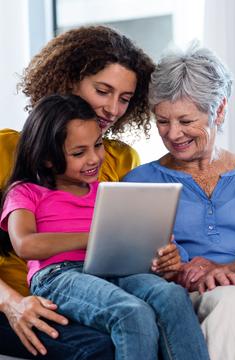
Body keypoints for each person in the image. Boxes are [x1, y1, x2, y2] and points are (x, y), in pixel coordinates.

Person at [124, 44, 235, 360]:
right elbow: (138, 268)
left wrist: (228, 268)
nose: (173, 133)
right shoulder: (141, 182)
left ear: (218, 110)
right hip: (195, 300)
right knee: (231, 301)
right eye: (163, 121)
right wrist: (171, 268)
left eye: (185, 120)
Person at [1, 94, 208, 360]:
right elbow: (26, 244)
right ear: (47, 159)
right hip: (58, 276)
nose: (94, 158)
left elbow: (129, 244)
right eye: (79, 152)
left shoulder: (107, 192)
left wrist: (154, 249)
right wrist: (93, 238)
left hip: (111, 269)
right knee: (131, 312)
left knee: (172, 296)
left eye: (97, 145)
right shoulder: (26, 192)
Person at [0, 25, 154, 359]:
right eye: (103, 91)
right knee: (99, 347)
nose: (112, 109)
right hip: (18, 299)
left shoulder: (121, 159)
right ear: (70, 80)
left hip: (92, 292)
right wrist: (13, 303)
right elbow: (28, 243)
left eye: (125, 99)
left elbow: (124, 243)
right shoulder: (6, 149)